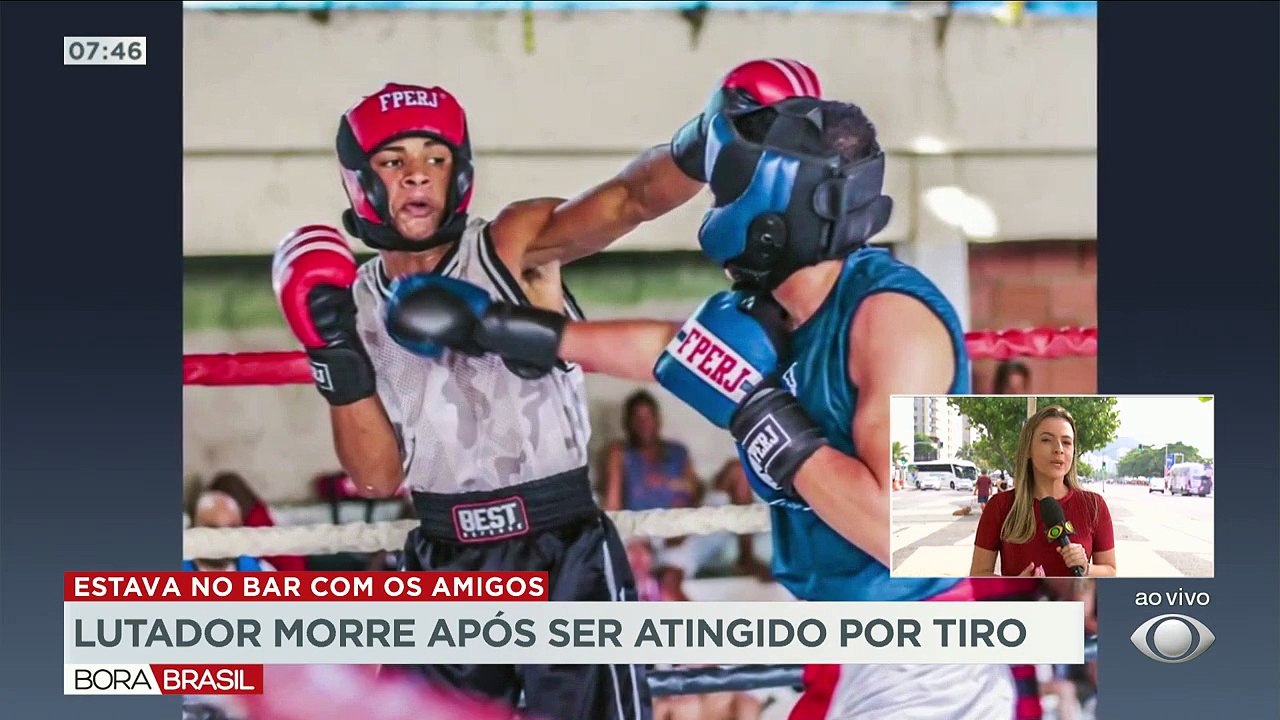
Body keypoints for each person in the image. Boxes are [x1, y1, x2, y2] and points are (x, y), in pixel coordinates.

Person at [385, 70, 1050, 717]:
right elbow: (670, 350)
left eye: (730, 182)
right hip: (850, 646)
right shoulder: (781, 312)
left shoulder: (890, 319)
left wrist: (763, 415)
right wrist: (498, 327)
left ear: (774, 203)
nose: (716, 200)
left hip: (922, 660)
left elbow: (901, 532)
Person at [269, 66, 800, 719]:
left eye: (435, 158)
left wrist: (712, 140)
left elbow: (632, 198)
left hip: (559, 541)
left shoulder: (510, 243)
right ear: (361, 177)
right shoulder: (354, 300)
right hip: (444, 550)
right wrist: (333, 354)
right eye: (394, 159)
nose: (416, 175)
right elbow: (377, 476)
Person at [970, 405, 1118, 578]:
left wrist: (1086, 568)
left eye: (1067, 442)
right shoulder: (1000, 506)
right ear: (1028, 450)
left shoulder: (1094, 505)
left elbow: (1110, 571)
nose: (1059, 449)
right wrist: (1014, 587)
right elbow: (978, 575)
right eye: (1047, 440)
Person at [185, 491, 273, 572]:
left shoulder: (261, 570)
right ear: (192, 527)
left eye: (231, 530)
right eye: (211, 530)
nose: (222, 540)